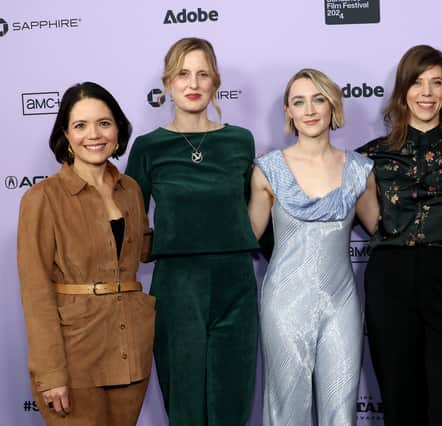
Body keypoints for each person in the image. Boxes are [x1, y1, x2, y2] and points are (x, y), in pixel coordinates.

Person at [125, 37, 259, 425]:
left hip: (236, 282)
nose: (193, 82)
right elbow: (130, 222)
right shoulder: (148, 147)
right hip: (177, 285)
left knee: (232, 404)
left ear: (215, 81)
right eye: (183, 73)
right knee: (185, 406)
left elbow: (256, 211)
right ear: (168, 82)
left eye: (202, 73)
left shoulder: (240, 140)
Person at [356, 45, 442, 425]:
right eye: (417, 82)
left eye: (436, 82)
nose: (427, 92)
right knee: (400, 405)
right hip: (391, 282)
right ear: (402, 91)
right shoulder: (371, 157)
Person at [17, 82, 154, 426]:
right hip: (75, 357)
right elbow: (36, 294)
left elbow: (143, 249)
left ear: (118, 131)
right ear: (66, 134)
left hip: (129, 350)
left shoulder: (131, 190)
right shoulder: (42, 199)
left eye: (104, 123)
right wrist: (50, 374)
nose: (94, 134)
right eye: (80, 125)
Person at [249, 68, 378, 426]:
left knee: (342, 406)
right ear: (288, 112)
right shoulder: (268, 169)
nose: (309, 110)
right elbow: (245, 235)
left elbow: (385, 230)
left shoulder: (360, 170)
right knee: (287, 407)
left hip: (341, 302)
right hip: (284, 302)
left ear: (332, 105)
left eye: (318, 99)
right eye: (299, 102)